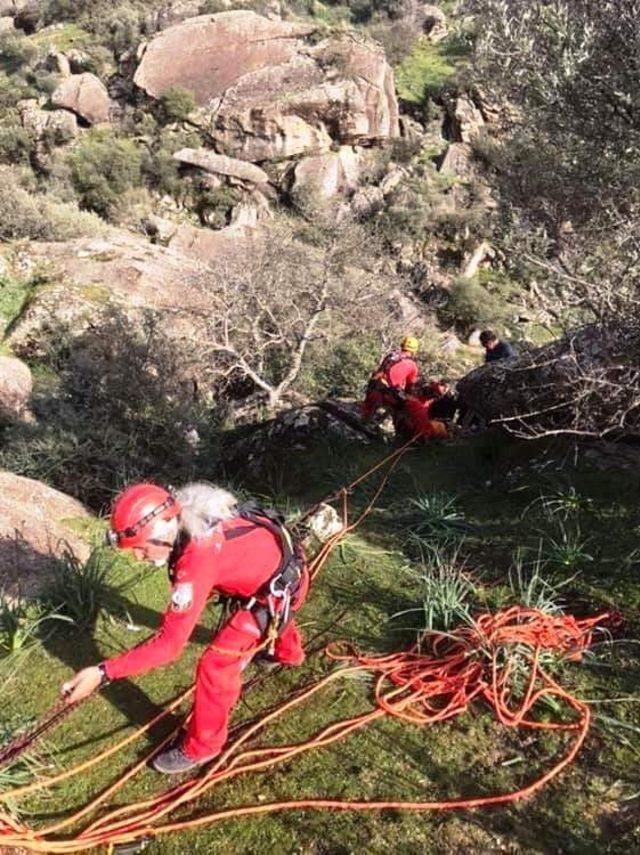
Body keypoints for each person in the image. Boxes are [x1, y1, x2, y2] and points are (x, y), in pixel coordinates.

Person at [60, 482, 308, 775]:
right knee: (275, 616)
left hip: (276, 591)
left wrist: (102, 673)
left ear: (164, 533)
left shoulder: (197, 559)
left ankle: (203, 747)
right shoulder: (194, 516)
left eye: (141, 549)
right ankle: (290, 654)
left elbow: (169, 646)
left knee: (216, 665)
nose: (139, 559)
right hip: (284, 571)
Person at [360, 336, 420, 421]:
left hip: (373, 386)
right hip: (386, 392)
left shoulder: (391, 355)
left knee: (366, 415)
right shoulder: (412, 366)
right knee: (406, 404)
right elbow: (410, 387)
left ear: (402, 345)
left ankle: (370, 418)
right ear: (414, 351)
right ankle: (383, 421)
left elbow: (380, 369)